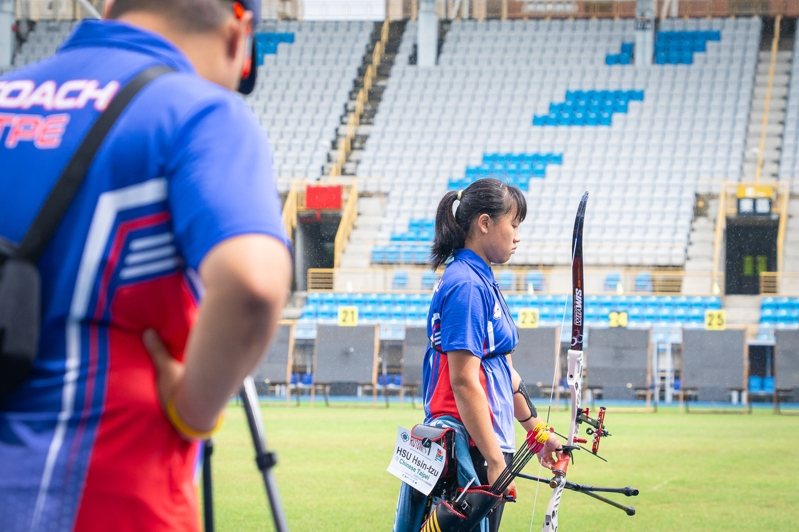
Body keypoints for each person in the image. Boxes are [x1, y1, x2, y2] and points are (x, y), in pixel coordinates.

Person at [0, 1, 292, 531]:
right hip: (104, 498)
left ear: (112, 7)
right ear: (239, 33)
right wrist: (192, 408)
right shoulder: (199, 111)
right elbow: (254, 283)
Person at [393, 178, 561, 532]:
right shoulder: (466, 284)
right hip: (468, 446)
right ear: (485, 223)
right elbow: (464, 380)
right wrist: (494, 460)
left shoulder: (480, 280)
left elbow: (505, 376)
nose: (517, 236)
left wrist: (540, 436)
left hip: (482, 444)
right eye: (512, 224)